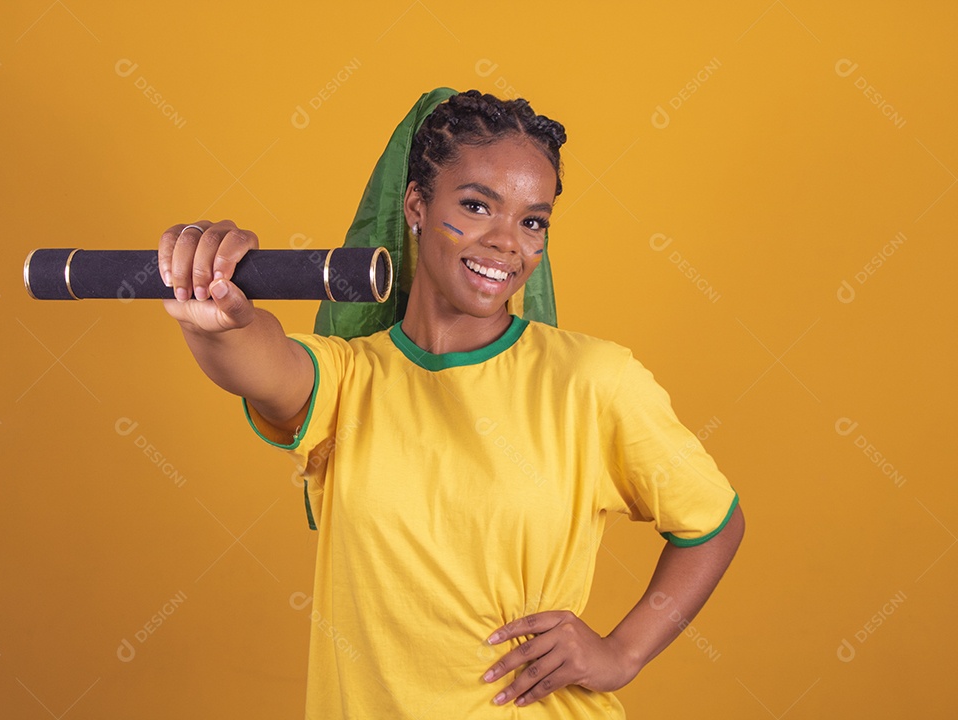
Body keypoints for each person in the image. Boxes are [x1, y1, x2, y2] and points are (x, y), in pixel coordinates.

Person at [158, 88, 744, 718]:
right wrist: (212, 315)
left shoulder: (593, 380)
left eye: (532, 220)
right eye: (476, 206)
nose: (506, 242)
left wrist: (622, 653)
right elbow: (256, 360)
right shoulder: (350, 380)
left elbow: (713, 523)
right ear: (416, 204)